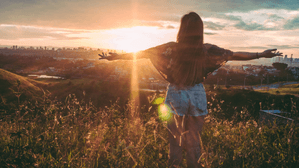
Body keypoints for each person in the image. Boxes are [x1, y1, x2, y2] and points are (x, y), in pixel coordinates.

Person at [99, 12, 282, 167]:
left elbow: (141, 53)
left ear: (182, 29)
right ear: (200, 30)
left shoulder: (170, 48)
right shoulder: (207, 49)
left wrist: (115, 57)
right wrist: (260, 54)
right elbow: (234, 55)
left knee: (175, 142)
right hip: (197, 94)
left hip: (176, 94)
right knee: (195, 142)